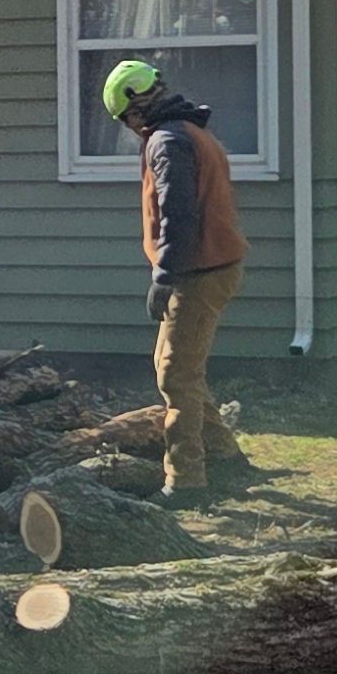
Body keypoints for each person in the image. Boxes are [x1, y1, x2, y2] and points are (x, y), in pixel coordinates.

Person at [105, 57, 246, 502]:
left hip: (197, 271)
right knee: (177, 366)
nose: (129, 128)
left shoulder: (167, 142)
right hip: (209, 265)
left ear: (136, 108)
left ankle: (185, 482)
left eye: (126, 119)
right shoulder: (190, 133)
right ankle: (226, 459)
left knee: (176, 375)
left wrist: (164, 276)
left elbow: (179, 214)